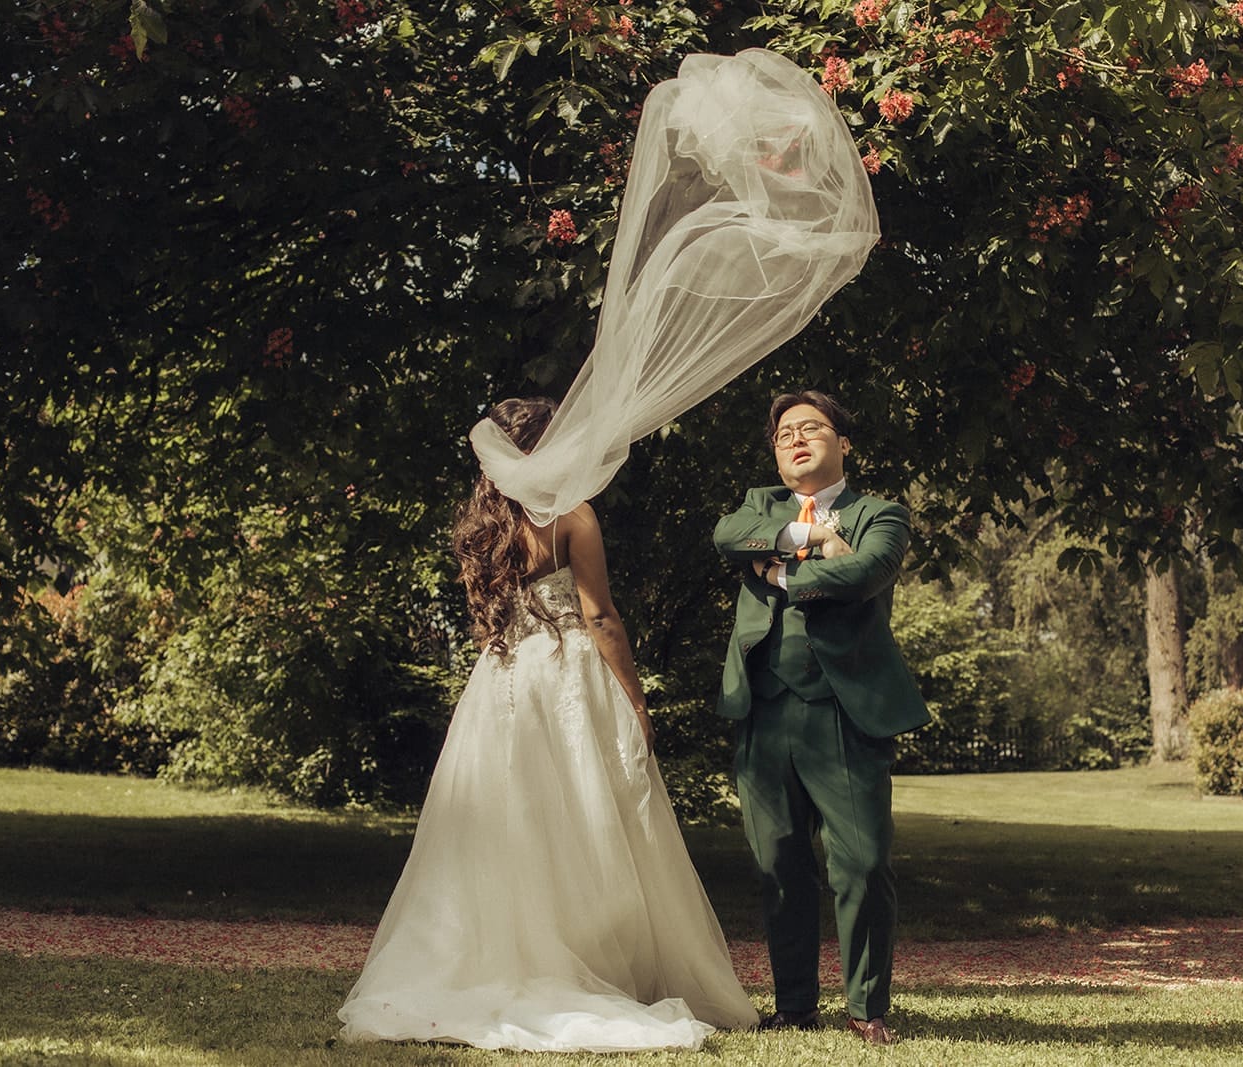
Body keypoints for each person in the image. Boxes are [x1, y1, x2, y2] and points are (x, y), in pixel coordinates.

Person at [339, 398, 758, 1052]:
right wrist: (637, 703)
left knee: (506, 820)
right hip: (568, 675)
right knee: (586, 816)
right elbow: (601, 617)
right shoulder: (572, 516)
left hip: (502, 680)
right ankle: (589, 961)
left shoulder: (480, 528)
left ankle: (501, 953)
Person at [714, 390, 930, 1046]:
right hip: (763, 705)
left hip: (844, 708)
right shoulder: (758, 508)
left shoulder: (879, 513)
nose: (795, 440)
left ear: (843, 443)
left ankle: (867, 1005)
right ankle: (795, 1004)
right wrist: (808, 537)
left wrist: (778, 574)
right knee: (778, 859)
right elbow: (726, 537)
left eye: (810, 428)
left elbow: (863, 573)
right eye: (784, 434)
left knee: (862, 862)